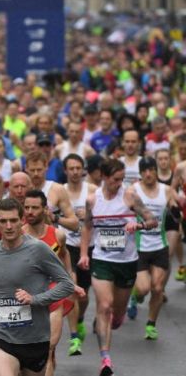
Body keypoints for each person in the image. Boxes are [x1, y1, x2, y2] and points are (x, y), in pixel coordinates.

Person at [0, 198, 74, 376]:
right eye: (4, 221)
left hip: (35, 337)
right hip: (1, 334)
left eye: (13, 220)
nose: (8, 226)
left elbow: (67, 284)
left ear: (22, 220)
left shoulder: (39, 249)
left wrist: (35, 299)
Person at [79, 158, 159, 375]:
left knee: (116, 313)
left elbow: (153, 220)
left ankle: (118, 316)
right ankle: (105, 359)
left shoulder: (129, 197)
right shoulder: (92, 200)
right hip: (102, 259)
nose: (119, 183)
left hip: (126, 261)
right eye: (115, 179)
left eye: (122, 179)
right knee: (104, 305)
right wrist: (84, 254)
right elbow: (87, 227)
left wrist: (139, 224)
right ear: (104, 177)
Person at [21, 190, 78, 376]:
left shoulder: (58, 235)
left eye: (34, 208)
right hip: (25, 298)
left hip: (52, 295)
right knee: (24, 354)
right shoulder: (18, 235)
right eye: (27, 207)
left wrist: (70, 281)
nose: (29, 211)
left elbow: (65, 255)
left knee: (48, 348)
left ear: (45, 210)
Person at [126, 156, 178, 340]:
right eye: (144, 170)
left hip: (159, 246)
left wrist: (177, 210)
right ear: (140, 173)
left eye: (151, 170)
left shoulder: (166, 190)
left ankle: (150, 324)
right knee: (143, 289)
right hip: (140, 247)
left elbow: (175, 207)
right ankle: (135, 296)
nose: (148, 173)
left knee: (157, 288)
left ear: (156, 171)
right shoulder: (133, 190)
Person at [61, 154, 96, 356]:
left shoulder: (92, 191)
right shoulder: (61, 191)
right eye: (71, 168)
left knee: (83, 296)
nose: (74, 172)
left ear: (83, 170)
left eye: (78, 168)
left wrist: (90, 214)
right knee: (71, 290)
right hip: (67, 247)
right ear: (65, 171)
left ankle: (80, 318)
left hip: (89, 247)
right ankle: (74, 337)